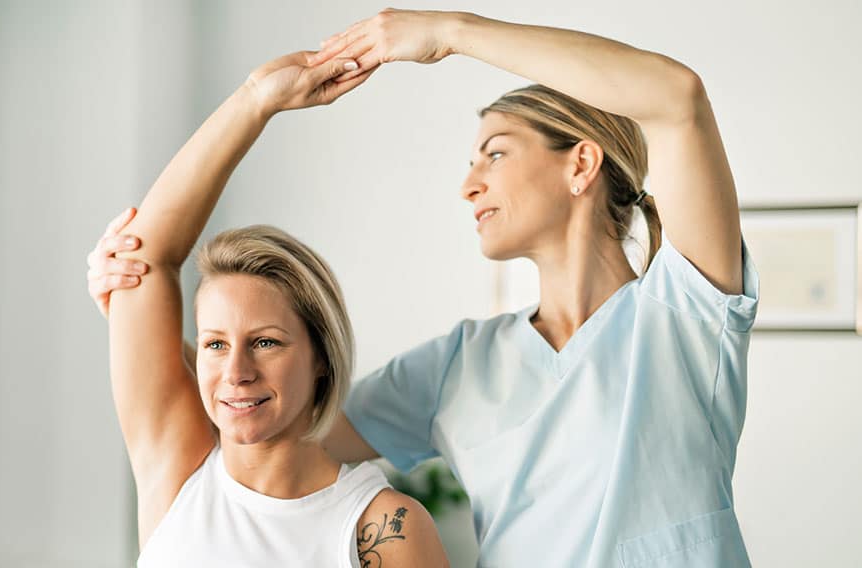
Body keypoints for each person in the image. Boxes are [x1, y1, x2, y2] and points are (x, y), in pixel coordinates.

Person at [89, 9, 759, 567]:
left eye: (494, 152)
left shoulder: (685, 314)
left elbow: (679, 100)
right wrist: (135, 311)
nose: (468, 184)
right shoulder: (461, 365)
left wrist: (450, 32)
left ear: (581, 163)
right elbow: (271, 418)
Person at [91, 48, 448, 567]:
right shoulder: (177, 466)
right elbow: (143, 255)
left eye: (264, 342)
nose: (235, 373)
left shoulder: (381, 527)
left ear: (320, 355)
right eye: (215, 344)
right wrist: (257, 99)